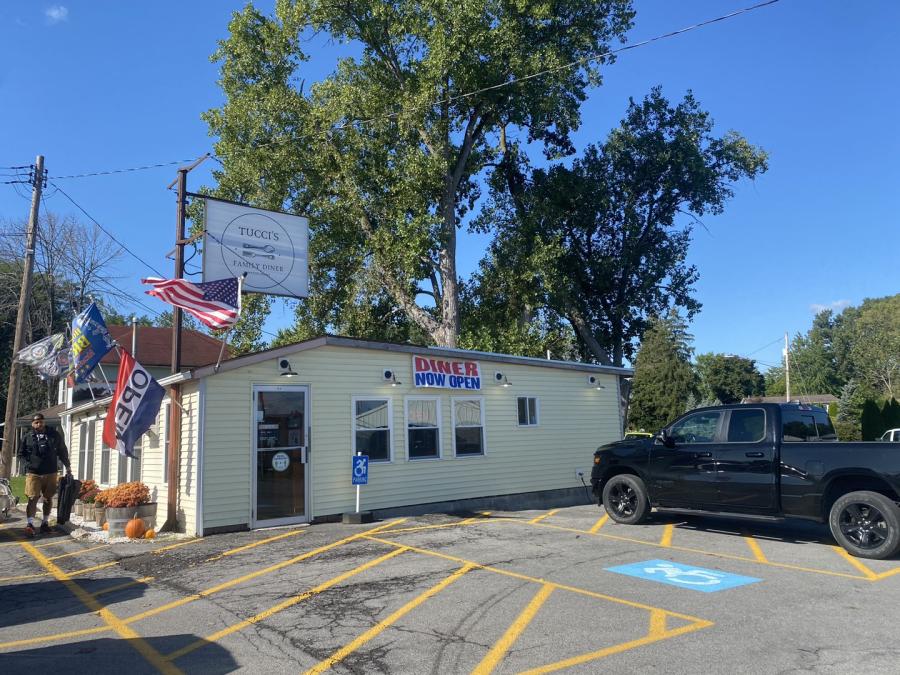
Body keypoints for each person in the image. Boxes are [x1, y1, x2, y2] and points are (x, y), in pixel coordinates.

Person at [17, 413, 71, 536]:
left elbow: (62, 451)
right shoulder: (27, 437)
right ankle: (30, 524)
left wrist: (67, 466)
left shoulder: (54, 435)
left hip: (51, 472)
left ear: (44, 422)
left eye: (41, 421)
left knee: (48, 498)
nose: (39, 424)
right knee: (32, 498)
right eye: (36, 422)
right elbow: (21, 454)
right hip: (34, 474)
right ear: (32, 424)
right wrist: (27, 464)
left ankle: (45, 523)